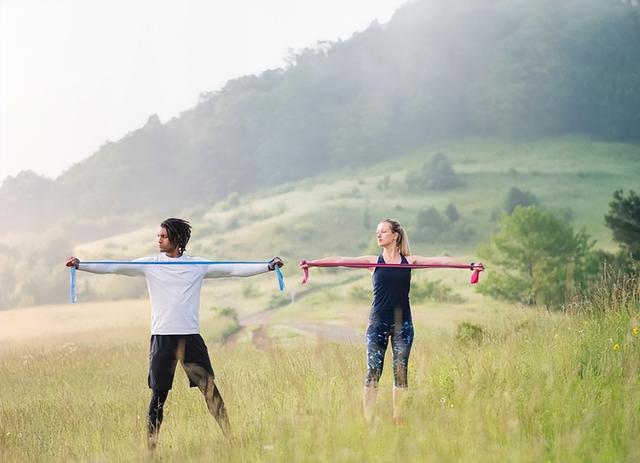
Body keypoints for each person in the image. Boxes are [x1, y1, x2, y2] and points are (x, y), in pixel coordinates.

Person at [65, 218, 284, 449]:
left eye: (163, 236)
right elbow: (115, 267)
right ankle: (151, 450)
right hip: (162, 338)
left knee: (210, 391)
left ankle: (232, 440)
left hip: (190, 338)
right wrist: (81, 265)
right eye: (158, 236)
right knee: (158, 398)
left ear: (177, 240)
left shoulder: (198, 265)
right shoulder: (150, 264)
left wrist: (267, 266)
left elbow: (233, 269)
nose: (158, 240)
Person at [299, 218, 483, 425]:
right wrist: (313, 263)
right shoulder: (373, 262)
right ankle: (368, 420)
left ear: (395, 235)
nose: (378, 235)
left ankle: (398, 418)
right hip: (378, 324)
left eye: (383, 231)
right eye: (377, 231)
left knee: (400, 371)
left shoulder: (409, 262)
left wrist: (470, 266)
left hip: (403, 325)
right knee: (373, 372)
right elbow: (341, 259)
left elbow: (441, 261)